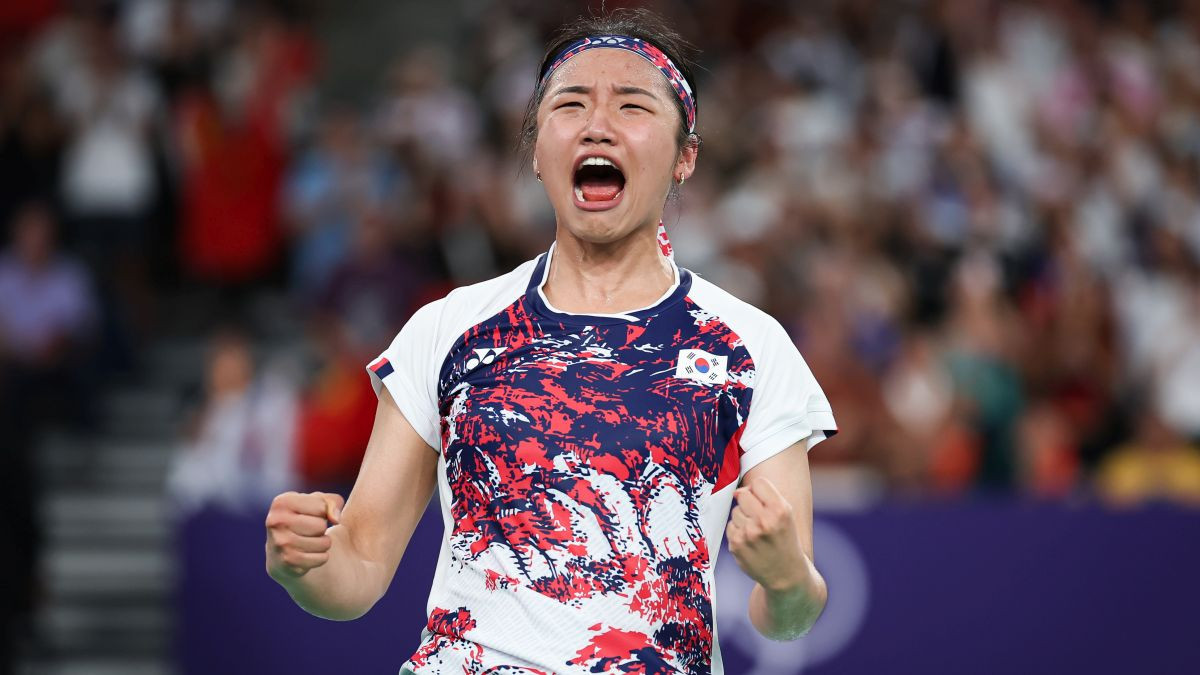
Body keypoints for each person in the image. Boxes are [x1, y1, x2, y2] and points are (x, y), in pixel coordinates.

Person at [265, 9, 837, 674]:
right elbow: (358, 566)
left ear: (686, 157)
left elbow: (790, 617)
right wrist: (304, 565)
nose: (598, 124)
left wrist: (788, 575)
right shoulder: (448, 328)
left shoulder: (751, 347)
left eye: (632, 104)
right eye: (570, 103)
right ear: (538, 150)